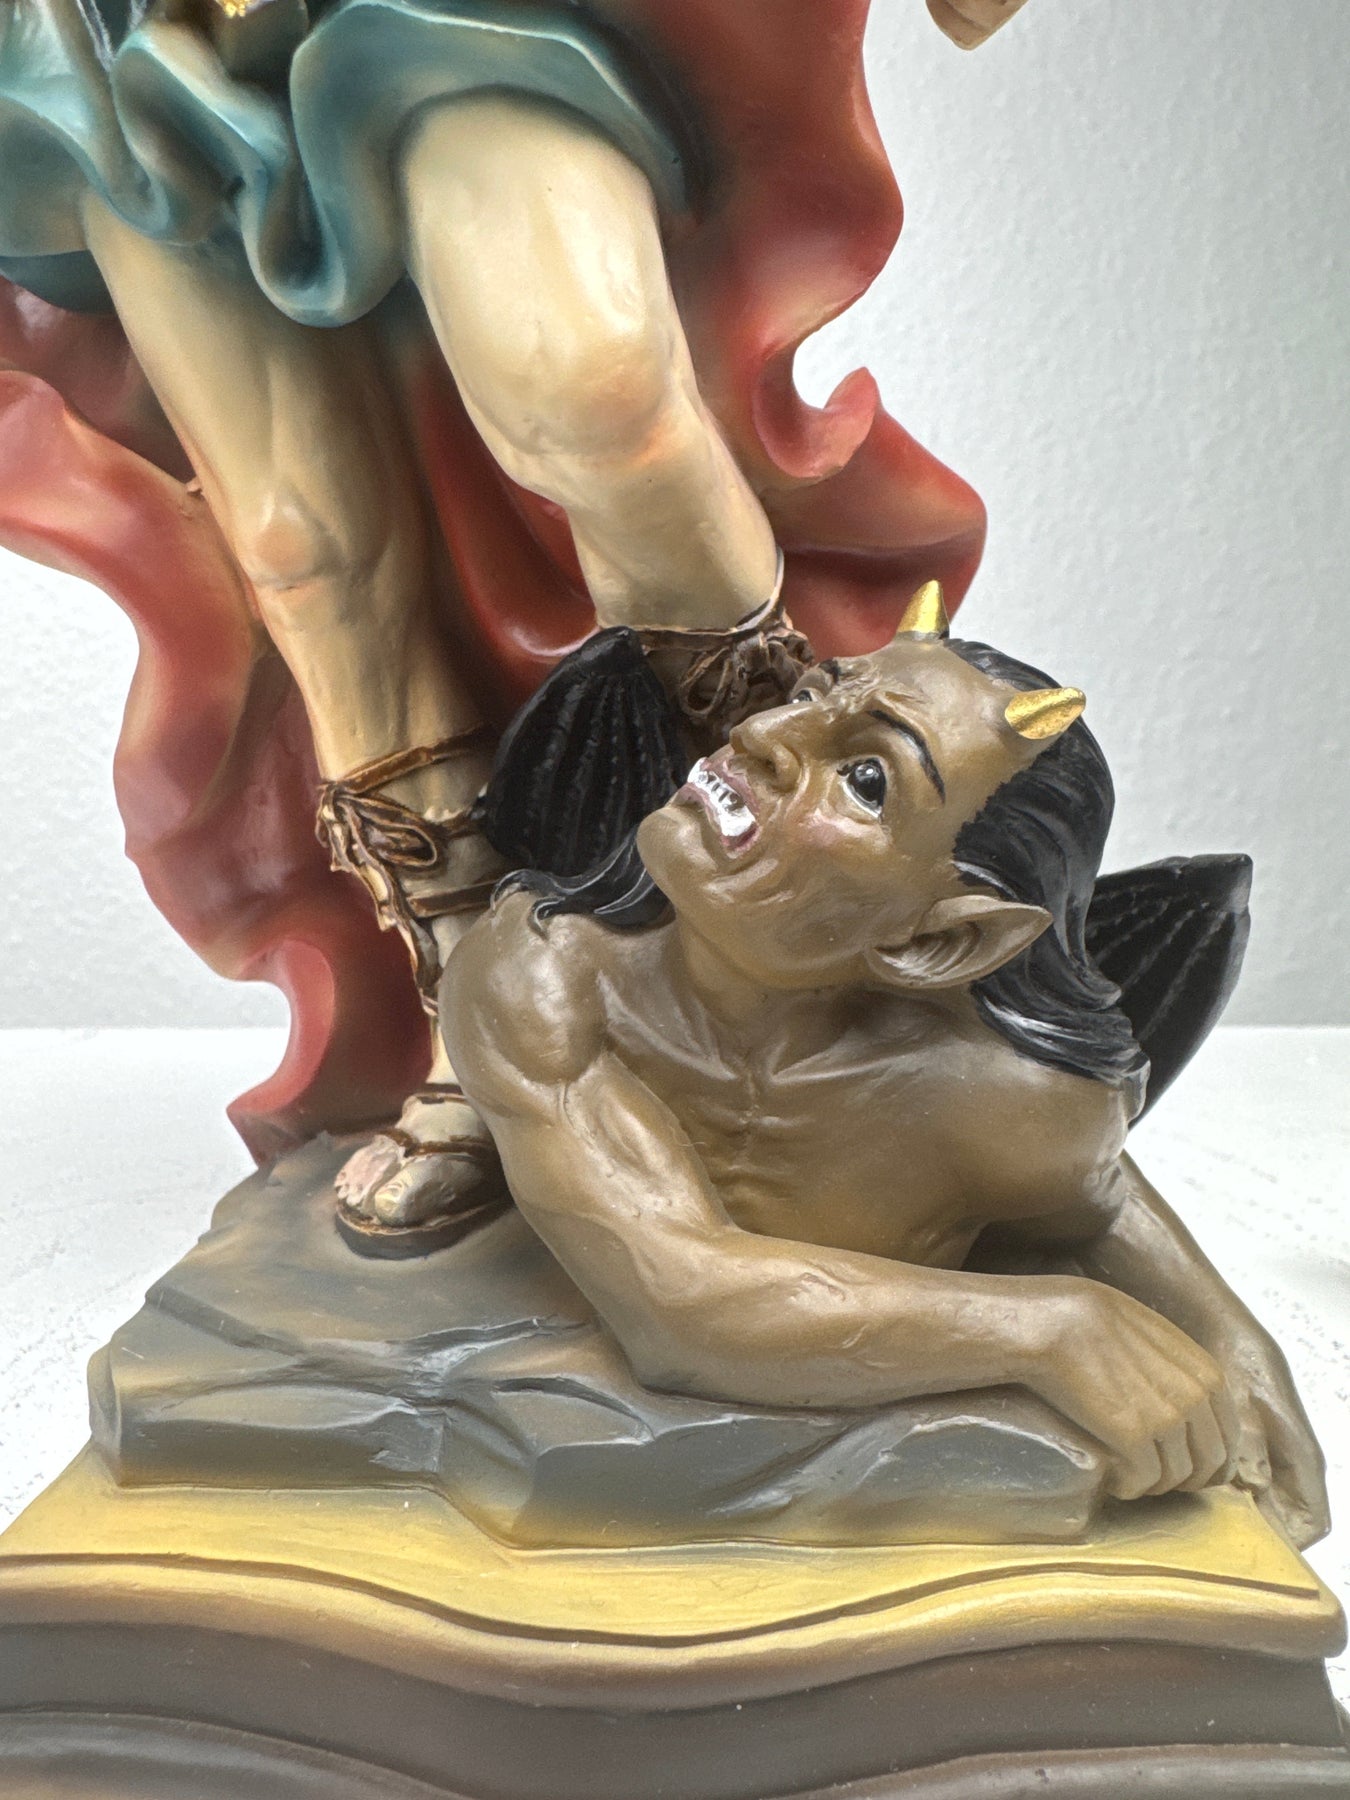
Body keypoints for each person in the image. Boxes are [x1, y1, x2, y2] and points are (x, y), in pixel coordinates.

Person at [0, 0, 1023, 1229]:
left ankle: (792, 941)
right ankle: (482, 1018)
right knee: (300, 545)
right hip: (126, 38)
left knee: (594, 386)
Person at [442, 587, 1328, 1549]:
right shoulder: (542, 974)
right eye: (810, 694)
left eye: (866, 779)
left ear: (941, 940)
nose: (764, 734)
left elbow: (1096, 1208)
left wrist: (1237, 1344)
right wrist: (1052, 1331)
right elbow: (675, 1298)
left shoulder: (995, 1097)